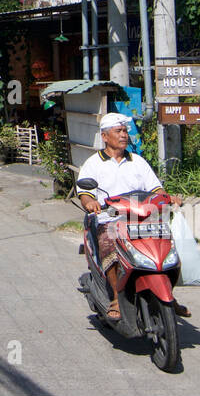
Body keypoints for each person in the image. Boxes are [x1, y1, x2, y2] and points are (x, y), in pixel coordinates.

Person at [76, 112, 189, 323]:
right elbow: (84, 192)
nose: (124, 135)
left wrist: (168, 197)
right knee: (110, 246)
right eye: (118, 131)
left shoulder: (138, 162)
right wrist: (89, 203)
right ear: (105, 136)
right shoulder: (93, 163)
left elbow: (155, 189)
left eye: (125, 131)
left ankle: (168, 294)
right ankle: (117, 299)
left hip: (141, 219)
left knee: (169, 247)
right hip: (109, 221)